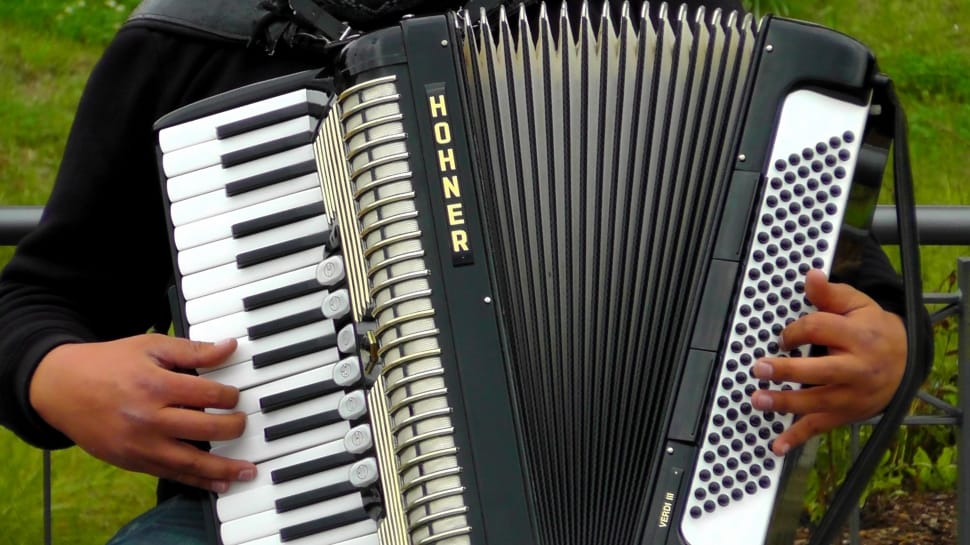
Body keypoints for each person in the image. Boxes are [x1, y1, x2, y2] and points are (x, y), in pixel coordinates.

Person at [0, 0, 928, 543]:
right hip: (273, 515)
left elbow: (859, 297)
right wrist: (57, 376)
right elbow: (39, 298)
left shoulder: (680, 42)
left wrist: (885, 348)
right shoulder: (197, 41)